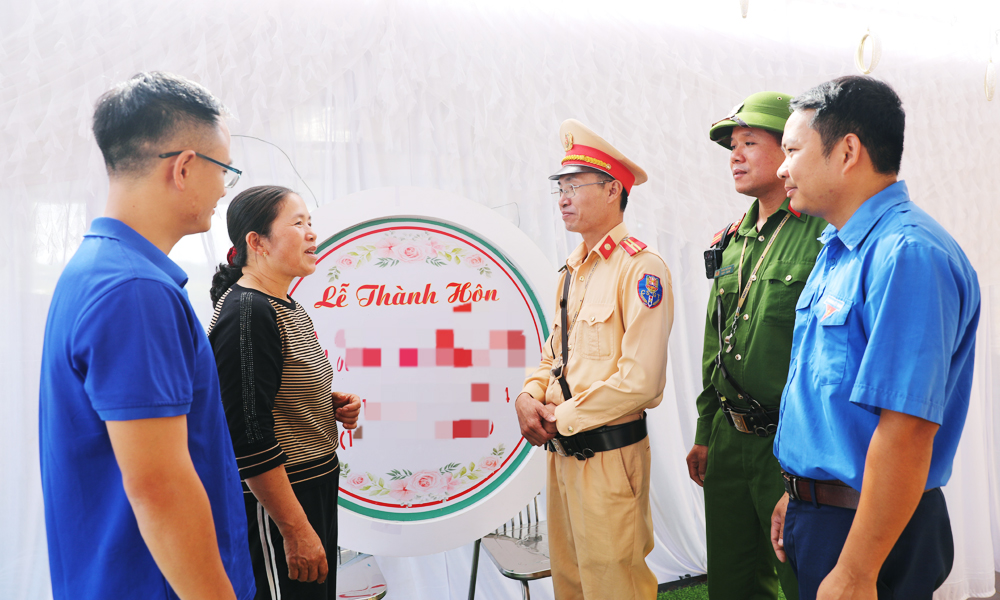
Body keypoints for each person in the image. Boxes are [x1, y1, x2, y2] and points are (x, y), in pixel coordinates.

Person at [38, 72, 254, 600]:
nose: (225, 188)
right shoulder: (134, 291)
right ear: (184, 167)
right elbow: (160, 489)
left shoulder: (97, 269)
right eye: (224, 169)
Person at [769, 76, 980, 599]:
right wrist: (799, 490)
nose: (781, 167)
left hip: (868, 533)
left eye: (792, 150)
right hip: (826, 514)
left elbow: (906, 430)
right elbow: (829, 402)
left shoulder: (907, 255)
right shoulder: (841, 247)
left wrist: (858, 569)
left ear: (847, 152)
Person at [516, 119, 673, 599]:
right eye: (559, 187)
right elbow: (553, 354)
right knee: (571, 584)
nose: (563, 197)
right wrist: (528, 395)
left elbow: (641, 380)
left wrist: (559, 416)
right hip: (562, 454)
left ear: (612, 191)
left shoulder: (641, 269)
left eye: (574, 186)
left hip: (608, 456)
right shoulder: (572, 270)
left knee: (613, 586)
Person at [688, 92, 826, 600]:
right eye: (731, 147)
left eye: (749, 142)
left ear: (789, 152)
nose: (736, 156)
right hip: (729, 435)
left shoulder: (820, 233)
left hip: (787, 442)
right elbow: (714, 342)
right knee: (730, 578)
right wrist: (706, 431)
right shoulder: (731, 239)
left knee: (798, 575)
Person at [208, 185, 362, 600]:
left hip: (310, 489)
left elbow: (265, 395)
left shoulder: (283, 304)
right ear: (256, 242)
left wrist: (321, 402)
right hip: (277, 504)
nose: (312, 233)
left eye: (310, 223)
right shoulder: (248, 312)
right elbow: (247, 437)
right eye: (298, 223)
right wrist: (294, 529)